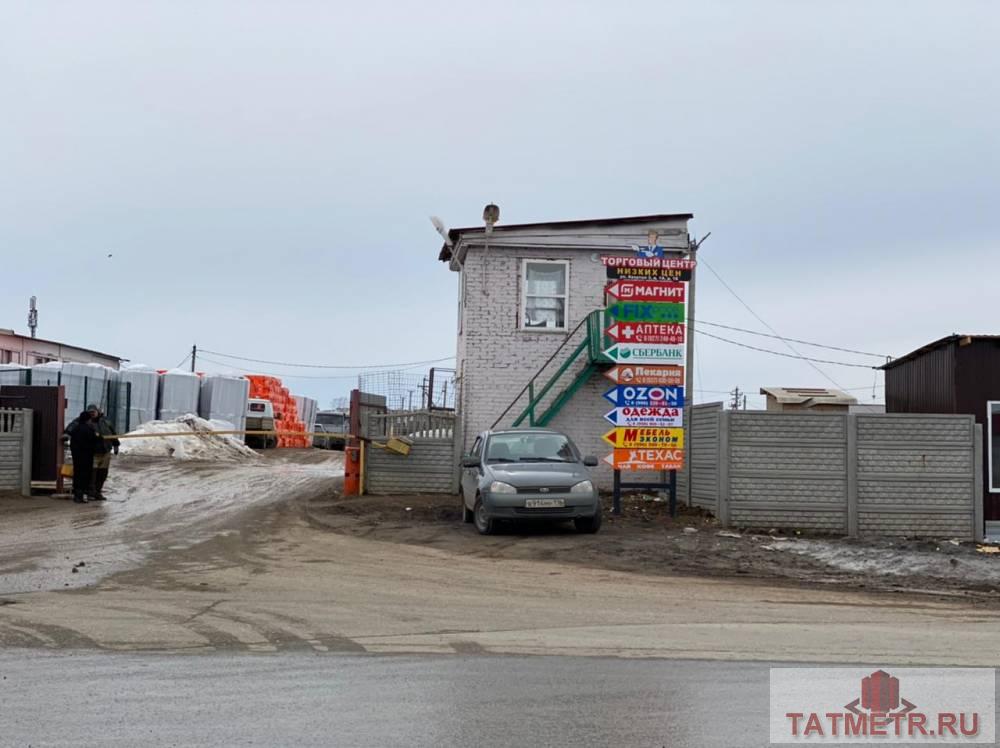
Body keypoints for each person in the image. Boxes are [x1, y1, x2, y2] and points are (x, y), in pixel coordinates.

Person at [65, 404, 120, 501]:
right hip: (92, 452)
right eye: (90, 413)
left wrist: (116, 444)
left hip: (105, 451)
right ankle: (90, 492)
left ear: (97, 412)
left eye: (93, 412)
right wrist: (67, 434)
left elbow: (113, 433)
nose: (92, 414)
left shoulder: (106, 421)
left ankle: (98, 492)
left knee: (102, 473)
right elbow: (71, 427)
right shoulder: (82, 421)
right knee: (91, 474)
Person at [66, 411, 102, 503]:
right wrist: (98, 437)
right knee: (85, 476)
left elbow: (72, 443)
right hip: (86, 457)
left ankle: (77, 495)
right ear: (87, 420)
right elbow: (94, 440)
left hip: (77, 456)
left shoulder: (75, 429)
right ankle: (81, 496)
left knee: (77, 474)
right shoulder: (89, 430)